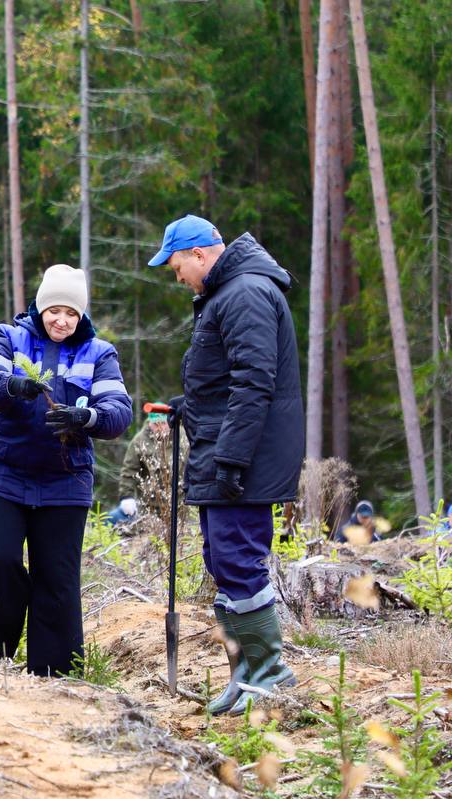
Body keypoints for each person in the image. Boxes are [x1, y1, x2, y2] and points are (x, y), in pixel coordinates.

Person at [148, 214, 304, 715]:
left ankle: (270, 673)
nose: (178, 279)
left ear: (199, 254)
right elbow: (224, 383)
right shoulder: (228, 293)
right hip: (227, 448)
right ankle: (245, 675)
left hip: (243, 458)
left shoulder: (244, 294)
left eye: (177, 268)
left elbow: (255, 383)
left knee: (238, 558)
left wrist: (233, 459)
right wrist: (187, 404)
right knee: (222, 559)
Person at [0, 264, 132, 675]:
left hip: (65, 478)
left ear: (82, 316)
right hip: (0, 471)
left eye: (72, 313)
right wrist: (12, 386)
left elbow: (119, 411)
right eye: (55, 310)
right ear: (41, 307)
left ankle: (53, 677)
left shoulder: (99, 353)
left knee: (57, 580)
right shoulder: (9, 337)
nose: (62, 320)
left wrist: (87, 417)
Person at [106, 404, 189, 527]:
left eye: (163, 423)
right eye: (156, 424)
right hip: (150, 505)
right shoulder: (139, 441)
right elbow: (128, 472)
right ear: (150, 423)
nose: (160, 428)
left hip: (181, 503)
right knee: (113, 518)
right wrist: (127, 497)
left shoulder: (183, 437)